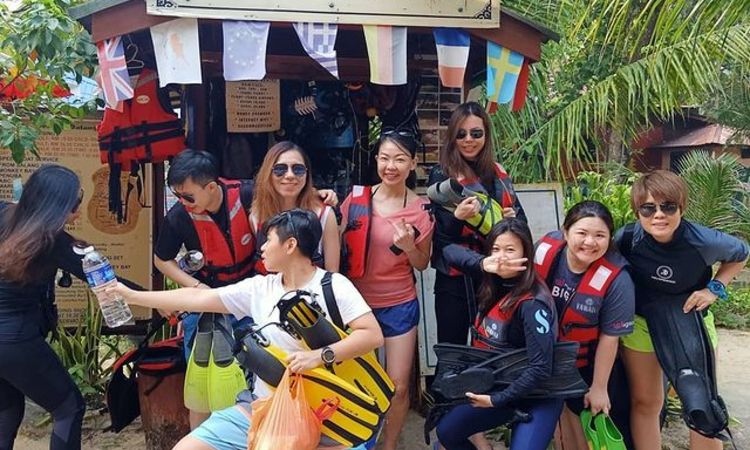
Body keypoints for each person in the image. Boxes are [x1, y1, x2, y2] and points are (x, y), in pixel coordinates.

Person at [111, 209, 384, 450]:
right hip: (264, 406)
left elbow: (371, 335)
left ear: (290, 245)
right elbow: (198, 299)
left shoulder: (333, 285)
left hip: (326, 414)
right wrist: (133, 296)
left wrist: (319, 355)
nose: (262, 248)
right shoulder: (260, 288)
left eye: (269, 240)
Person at [154, 148, 337, 428]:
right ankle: (205, 438)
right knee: (201, 386)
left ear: (212, 187)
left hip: (250, 299)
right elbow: (161, 259)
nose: (183, 202)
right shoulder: (180, 215)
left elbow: (285, 199)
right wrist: (196, 287)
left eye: (188, 196)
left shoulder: (247, 194)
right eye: (178, 195)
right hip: (207, 301)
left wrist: (321, 193)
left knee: (256, 380)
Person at [615, 170, 749, 450]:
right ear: (637, 211)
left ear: (682, 207)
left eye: (668, 207)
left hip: (690, 319)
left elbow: (741, 253)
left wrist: (714, 288)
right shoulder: (626, 239)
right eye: (648, 208)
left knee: (700, 402)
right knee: (646, 401)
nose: (658, 215)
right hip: (642, 322)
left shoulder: (704, 241)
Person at [340, 129, 434, 450]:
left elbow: (422, 263)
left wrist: (409, 247)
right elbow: (333, 237)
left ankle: (389, 445)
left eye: (399, 159)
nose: (390, 166)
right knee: (358, 381)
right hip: (357, 305)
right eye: (384, 158)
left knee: (399, 385)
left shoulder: (421, 210)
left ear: (412, 164)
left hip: (399, 303)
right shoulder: (355, 200)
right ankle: (359, 442)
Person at [434, 218, 562, 450]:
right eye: (496, 249)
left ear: (526, 252)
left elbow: (541, 368)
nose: (502, 257)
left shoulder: (532, 303)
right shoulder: (491, 278)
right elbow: (447, 250)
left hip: (537, 394)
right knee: (446, 433)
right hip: (501, 384)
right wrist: (483, 263)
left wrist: (496, 400)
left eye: (510, 250)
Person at [534, 201, 635, 449]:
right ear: (565, 232)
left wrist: (599, 388)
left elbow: (610, 338)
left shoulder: (618, 280)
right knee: (559, 422)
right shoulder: (545, 250)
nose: (590, 242)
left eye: (600, 235)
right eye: (582, 233)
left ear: (610, 238)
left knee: (586, 426)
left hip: (586, 365)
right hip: (545, 358)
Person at [0, 165, 88, 450]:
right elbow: (108, 282)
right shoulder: (55, 242)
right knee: (68, 408)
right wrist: (162, 302)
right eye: (75, 203)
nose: (78, 210)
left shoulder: (3, 213)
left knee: (6, 410)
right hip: (16, 339)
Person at [428, 101, 526, 347]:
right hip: (455, 279)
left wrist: (511, 222)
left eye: (476, 133)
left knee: (495, 347)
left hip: (496, 277)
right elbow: (439, 240)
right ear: (452, 137)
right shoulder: (442, 176)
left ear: (486, 136)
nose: (468, 140)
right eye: (461, 134)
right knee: (453, 352)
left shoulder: (499, 175)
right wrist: (457, 218)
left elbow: (523, 226)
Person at [249, 141, 340, 274]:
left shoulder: (324, 215)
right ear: (268, 172)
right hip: (270, 293)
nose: (290, 175)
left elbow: (332, 273)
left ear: (307, 174)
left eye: (298, 169)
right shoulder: (257, 215)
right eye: (280, 169)